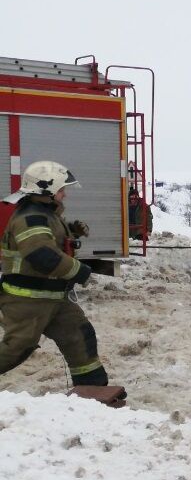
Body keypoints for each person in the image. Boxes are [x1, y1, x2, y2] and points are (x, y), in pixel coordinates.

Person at [0, 161, 108, 386]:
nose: (64, 195)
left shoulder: (46, 214)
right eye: (61, 190)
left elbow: (50, 236)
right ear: (45, 191)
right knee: (16, 349)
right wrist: (80, 271)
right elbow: (42, 255)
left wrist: (73, 230)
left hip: (53, 297)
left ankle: (92, 389)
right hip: (27, 300)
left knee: (79, 335)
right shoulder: (30, 218)